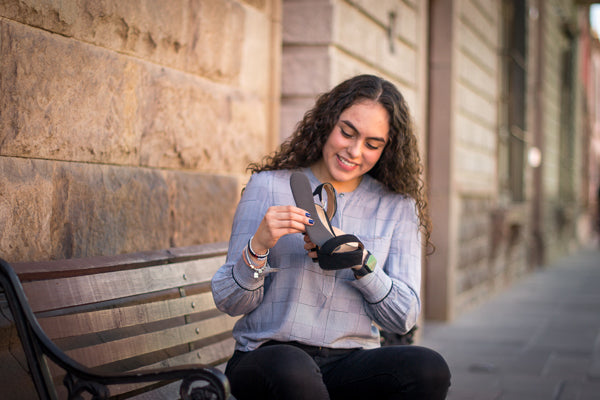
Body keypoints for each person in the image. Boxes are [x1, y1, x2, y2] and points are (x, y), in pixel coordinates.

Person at [211, 74, 450, 400]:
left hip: (349, 360)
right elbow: (228, 300)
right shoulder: (267, 186)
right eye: (347, 133)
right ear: (327, 122)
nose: (354, 151)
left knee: (428, 368)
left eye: (372, 144)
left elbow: (404, 318)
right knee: (293, 368)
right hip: (268, 356)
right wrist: (258, 246)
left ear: (387, 149)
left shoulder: (397, 206)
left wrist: (363, 263)